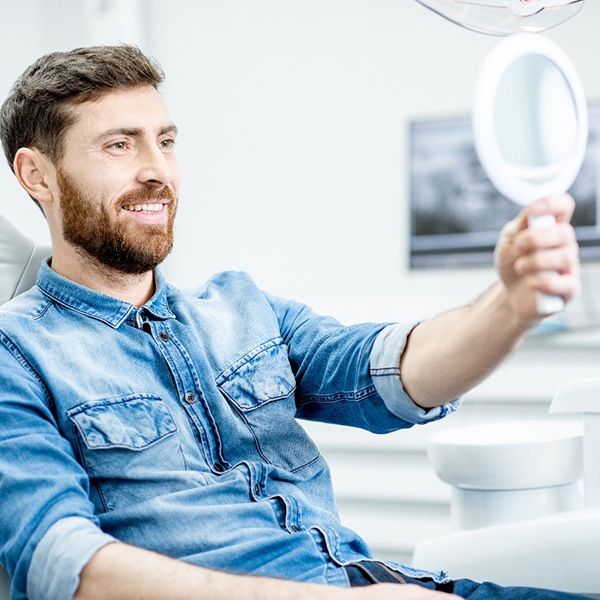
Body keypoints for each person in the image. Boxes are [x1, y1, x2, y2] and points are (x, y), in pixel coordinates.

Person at [0, 45, 586, 600]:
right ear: (37, 175)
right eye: (119, 146)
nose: (159, 171)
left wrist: (511, 305)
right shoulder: (17, 353)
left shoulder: (240, 307)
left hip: (385, 580)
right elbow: (65, 565)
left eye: (166, 140)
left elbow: (393, 372)